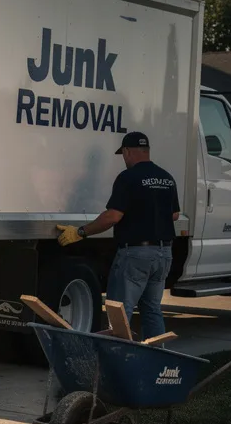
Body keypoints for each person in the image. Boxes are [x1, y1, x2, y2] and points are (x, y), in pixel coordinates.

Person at [56, 131, 179, 340]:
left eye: (123, 154)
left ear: (128, 151)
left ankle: (117, 359)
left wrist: (80, 231)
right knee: (152, 310)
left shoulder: (128, 178)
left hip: (136, 255)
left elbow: (112, 216)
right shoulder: (166, 178)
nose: (124, 159)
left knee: (119, 312)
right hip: (163, 253)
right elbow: (174, 215)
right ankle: (157, 361)